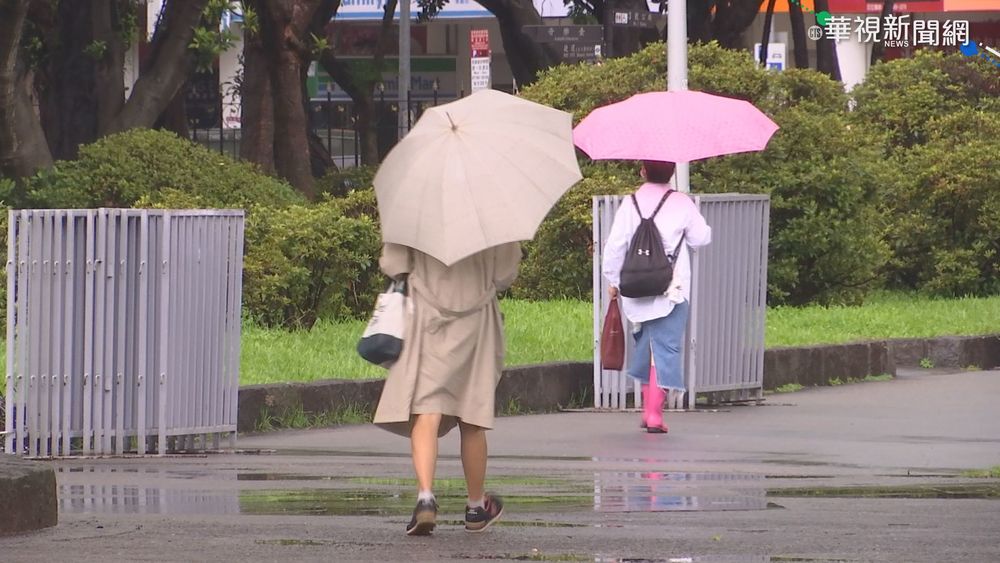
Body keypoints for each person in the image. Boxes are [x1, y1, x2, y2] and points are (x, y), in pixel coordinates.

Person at [373, 241, 522, 536]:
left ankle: (425, 499)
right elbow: (505, 274)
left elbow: (394, 264)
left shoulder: (416, 207)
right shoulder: (491, 212)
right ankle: (477, 507)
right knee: (472, 418)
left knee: (427, 411)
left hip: (426, 317)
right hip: (477, 321)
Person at [601, 160, 712, 433]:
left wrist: (613, 280)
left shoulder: (630, 203)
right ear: (672, 173)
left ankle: (646, 408)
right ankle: (654, 414)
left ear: (642, 171)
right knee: (665, 349)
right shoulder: (681, 202)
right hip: (671, 289)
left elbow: (616, 245)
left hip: (636, 289)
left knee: (646, 346)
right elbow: (701, 238)